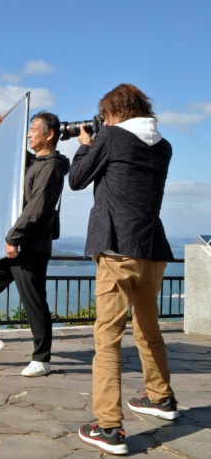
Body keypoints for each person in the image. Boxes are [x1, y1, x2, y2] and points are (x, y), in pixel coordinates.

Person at [71, 84, 178, 456]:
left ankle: (109, 427)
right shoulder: (163, 145)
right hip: (152, 249)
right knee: (148, 328)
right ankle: (161, 398)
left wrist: (85, 144)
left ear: (113, 112)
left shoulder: (112, 137)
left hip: (117, 248)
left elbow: (76, 179)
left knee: (108, 337)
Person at [0, 111, 69, 377]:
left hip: (30, 246)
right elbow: (13, 155)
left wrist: (13, 237)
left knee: (33, 301)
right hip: (15, 245)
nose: (28, 134)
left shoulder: (51, 167)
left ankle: (42, 359)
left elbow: (36, 209)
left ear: (49, 134)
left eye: (32, 129)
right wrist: (4, 130)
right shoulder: (36, 162)